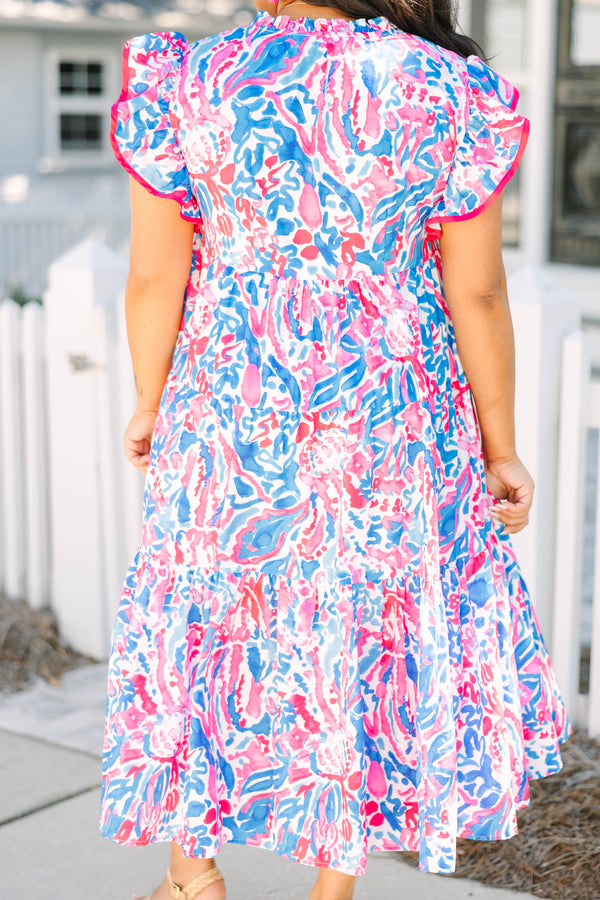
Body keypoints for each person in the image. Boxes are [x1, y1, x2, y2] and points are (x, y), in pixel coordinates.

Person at [100, 1, 573, 898]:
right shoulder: (449, 88)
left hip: (236, 398)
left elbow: (157, 272)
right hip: (393, 407)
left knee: (217, 607)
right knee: (362, 626)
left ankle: (190, 874)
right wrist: (500, 446)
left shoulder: (191, 81)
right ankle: (332, 889)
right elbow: (474, 290)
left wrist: (152, 401)